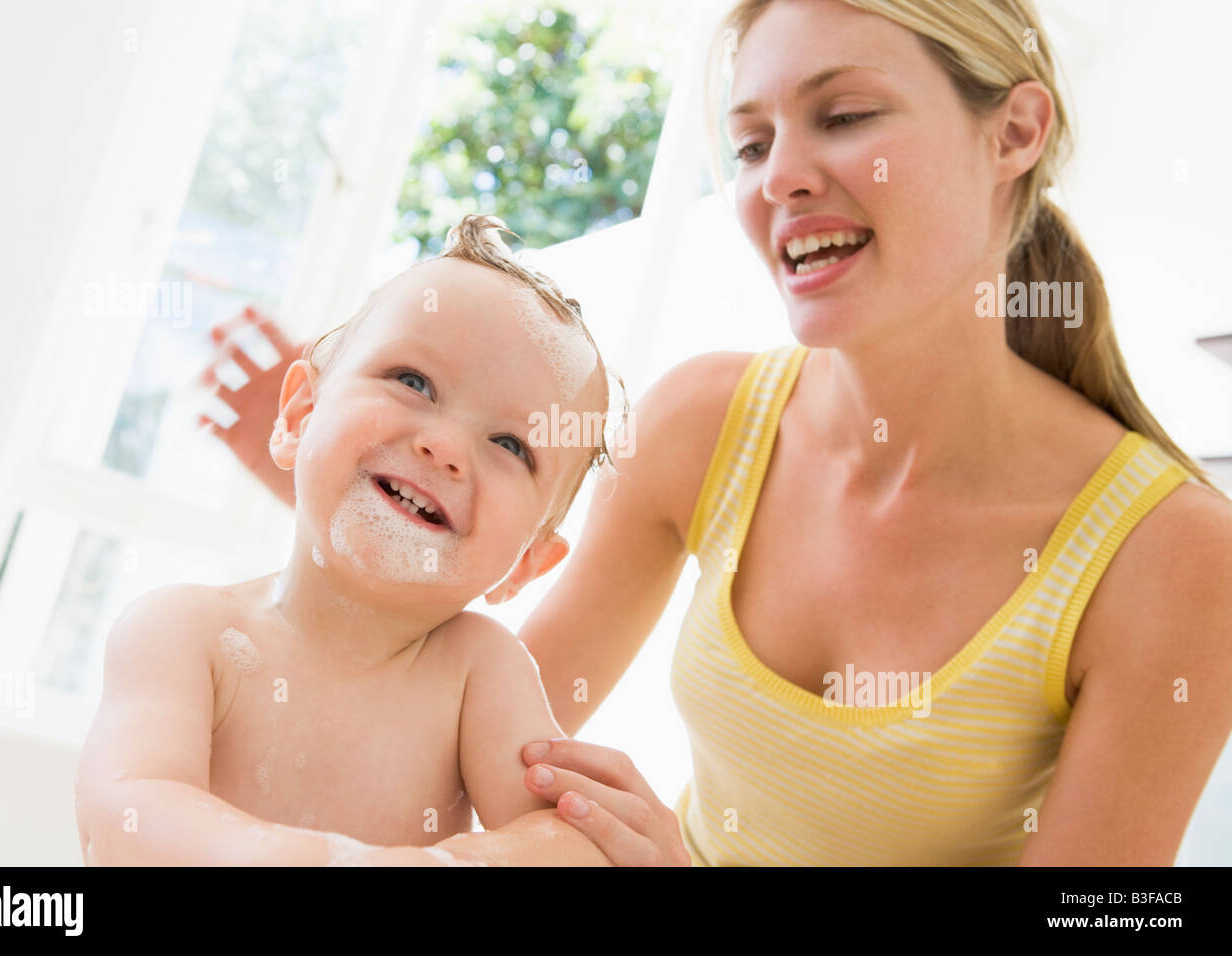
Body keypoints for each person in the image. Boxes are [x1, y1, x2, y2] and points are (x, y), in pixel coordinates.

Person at [204, 0, 1232, 865]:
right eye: (750, 142)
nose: (778, 177)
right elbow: (476, 729)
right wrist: (352, 503)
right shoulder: (704, 424)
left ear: (1011, 134)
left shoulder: (1174, 552)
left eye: (844, 115)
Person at [77, 215, 625, 865]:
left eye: (510, 444)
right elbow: (128, 816)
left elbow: (571, 844)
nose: (445, 446)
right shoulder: (186, 632)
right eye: (413, 382)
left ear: (527, 564)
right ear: (299, 416)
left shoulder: (481, 671)